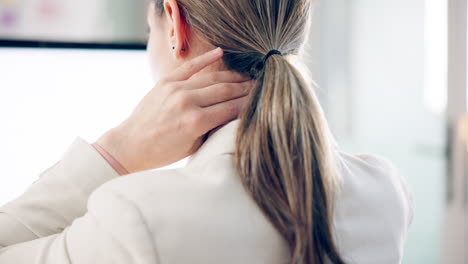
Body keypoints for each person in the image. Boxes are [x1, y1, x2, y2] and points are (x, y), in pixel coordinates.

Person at [0, 0, 413, 263]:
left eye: (151, 30)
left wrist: (118, 149)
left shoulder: (134, 220)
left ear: (175, 24)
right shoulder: (385, 194)